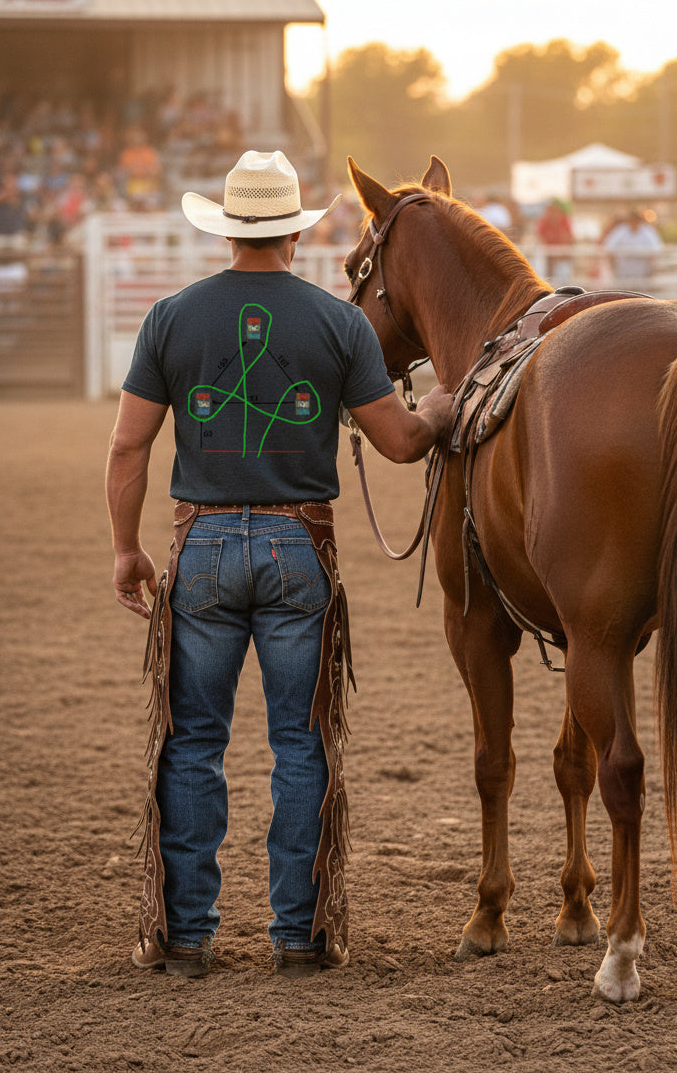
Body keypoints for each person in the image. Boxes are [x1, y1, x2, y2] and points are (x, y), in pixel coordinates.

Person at [106, 150, 453, 979]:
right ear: (298, 228)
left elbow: (128, 447)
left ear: (227, 228)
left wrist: (126, 547)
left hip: (202, 552)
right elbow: (401, 443)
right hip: (300, 549)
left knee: (191, 744)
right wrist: (441, 402)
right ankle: (300, 939)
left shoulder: (170, 318)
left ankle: (185, 938)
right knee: (302, 746)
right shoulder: (339, 324)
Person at [602, 206, 663, 285]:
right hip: (623, 273)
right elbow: (609, 247)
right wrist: (614, 267)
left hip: (642, 274)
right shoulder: (621, 230)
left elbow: (656, 249)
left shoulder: (647, 231)